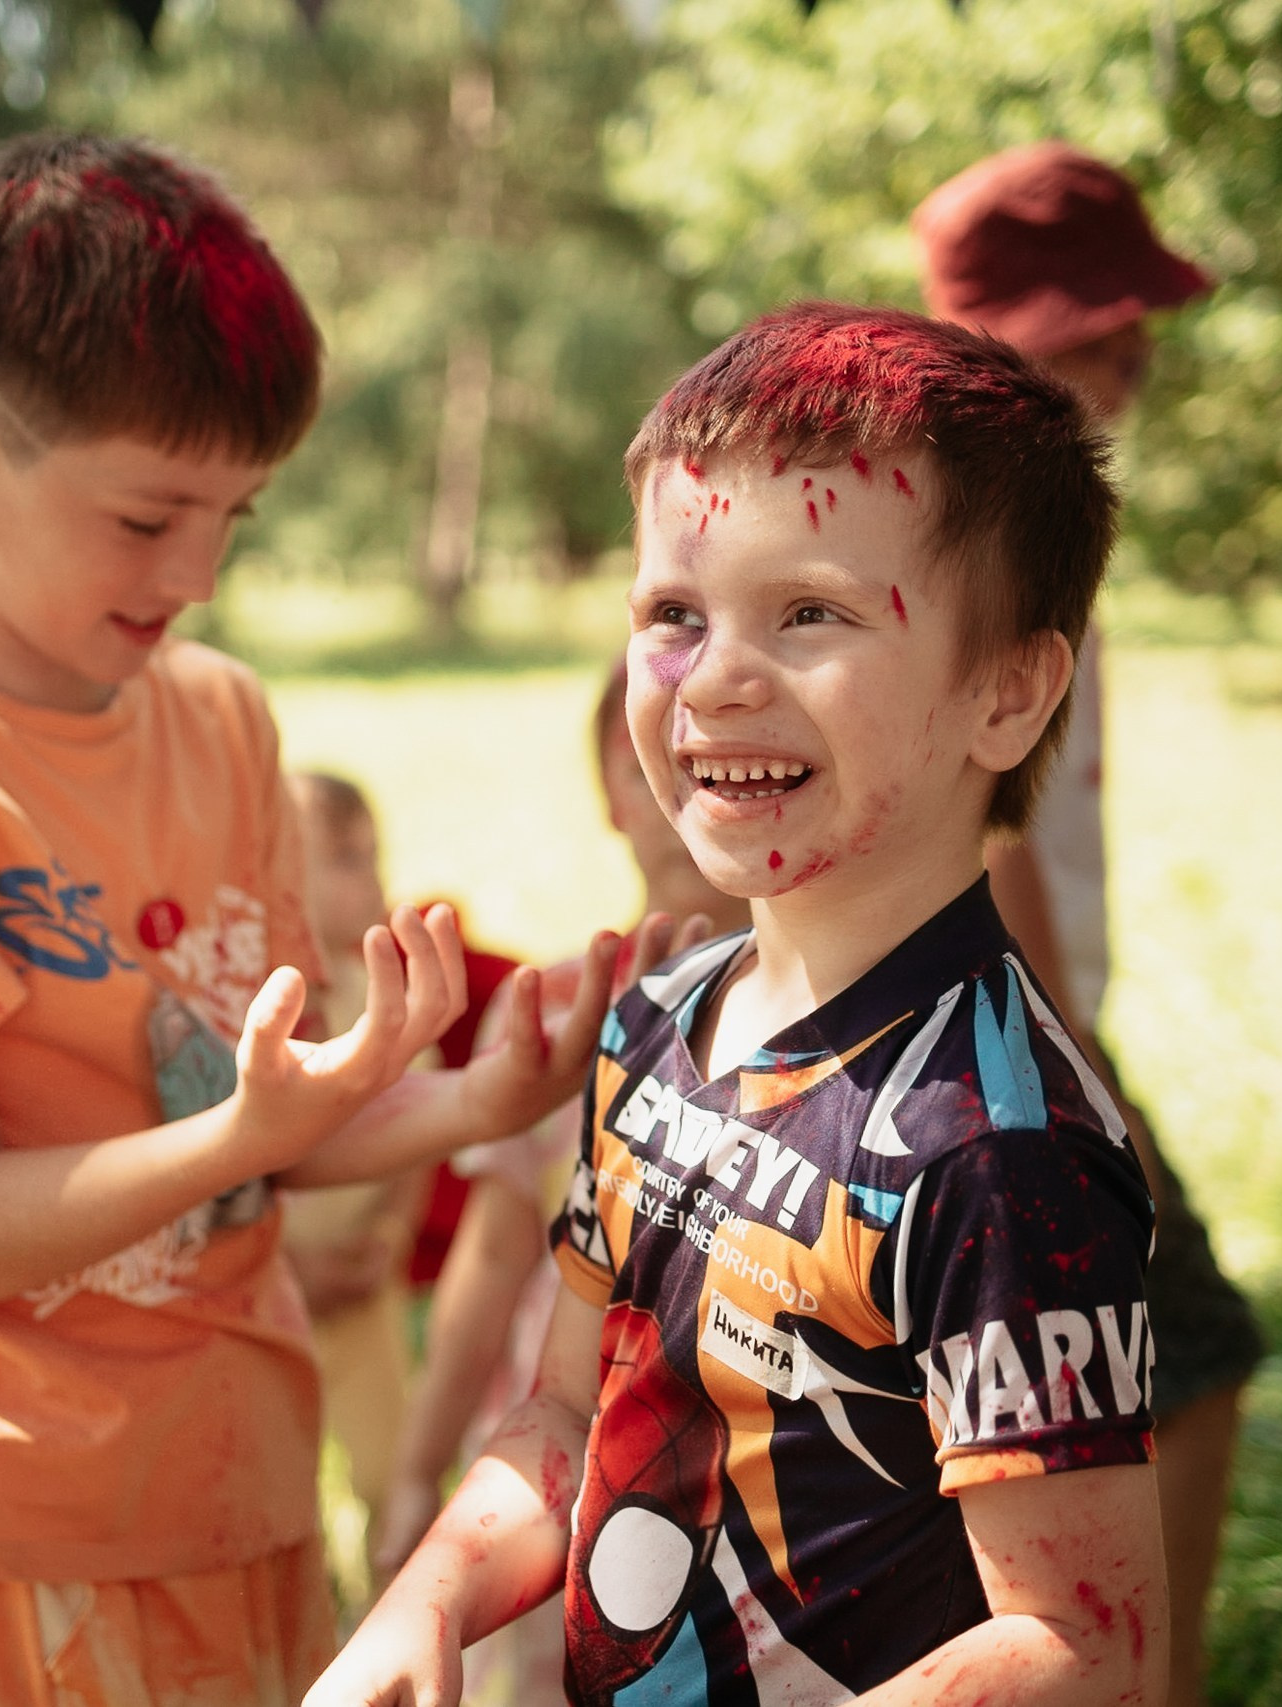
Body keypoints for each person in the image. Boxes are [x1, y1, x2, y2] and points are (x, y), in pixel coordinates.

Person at [0, 132, 646, 1707]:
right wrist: (246, 1131)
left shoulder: (220, 718)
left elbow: (260, 1117)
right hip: (16, 1526)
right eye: (148, 520)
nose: (198, 574)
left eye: (236, 516)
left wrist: (474, 1095)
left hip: (250, 1483)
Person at [313, 304, 1167, 1707]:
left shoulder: (1001, 1151)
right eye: (673, 615)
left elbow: (1086, 1640)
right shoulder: (653, 1022)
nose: (714, 678)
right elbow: (567, 1411)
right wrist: (429, 1599)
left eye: (810, 612)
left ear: (1008, 692)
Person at [917, 141, 1269, 1707]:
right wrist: (1073, 1076)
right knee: (1190, 1355)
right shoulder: (998, 532)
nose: (1138, 358)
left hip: (999, 1033)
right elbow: (989, 839)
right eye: (1108, 326)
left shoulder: (1018, 511)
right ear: (1024, 334)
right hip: (1007, 1039)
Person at [371, 659, 740, 1707]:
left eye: (710, 749)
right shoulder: (552, 1014)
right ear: (609, 795)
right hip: (564, 1474)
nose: (682, 777)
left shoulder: (847, 1033)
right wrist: (417, 1471)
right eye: (647, 757)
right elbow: (491, 1258)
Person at [281, 771, 431, 1515]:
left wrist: (391, 1233)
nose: (373, 879)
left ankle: (391, 1575)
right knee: (276, 1484)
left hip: (364, 1284)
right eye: (345, 858)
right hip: (265, 1291)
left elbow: (422, 1130)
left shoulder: (377, 996)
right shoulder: (247, 1004)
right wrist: (285, 1267)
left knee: (386, 1472)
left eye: (375, 855)